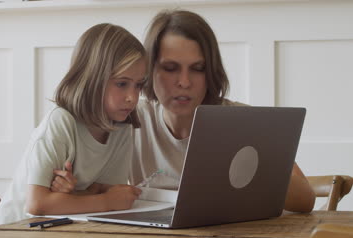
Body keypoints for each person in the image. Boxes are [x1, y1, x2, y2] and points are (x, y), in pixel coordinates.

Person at [129, 9, 315, 213]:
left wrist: (251, 165)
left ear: (210, 72)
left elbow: (305, 200)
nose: (184, 82)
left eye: (198, 68)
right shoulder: (131, 119)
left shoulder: (242, 120)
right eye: (171, 68)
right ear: (149, 70)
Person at [0, 23, 145, 227]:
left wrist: (73, 196)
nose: (132, 97)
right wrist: (102, 200)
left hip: (53, 237)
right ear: (92, 78)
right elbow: (37, 204)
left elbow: (105, 191)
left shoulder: (121, 129)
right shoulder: (61, 121)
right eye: (122, 84)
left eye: (139, 85)